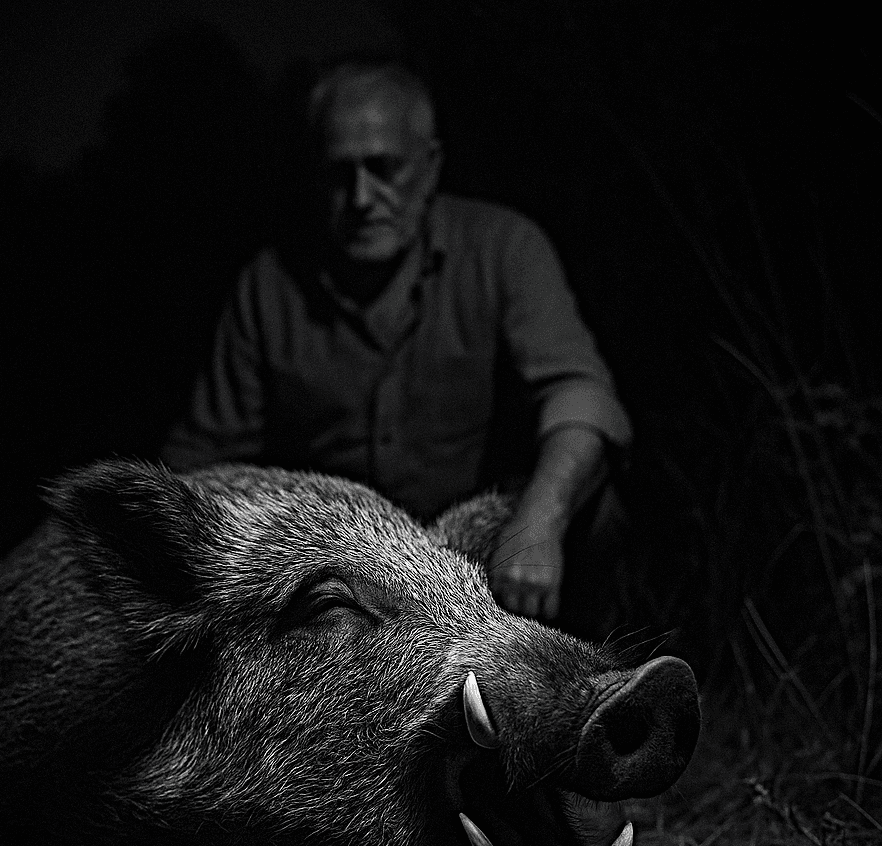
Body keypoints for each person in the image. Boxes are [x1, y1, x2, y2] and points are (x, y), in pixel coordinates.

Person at [162, 59, 632, 636]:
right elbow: (204, 455)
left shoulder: (503, 247)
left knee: (595, 509)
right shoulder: (268, 286)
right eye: (340, 175)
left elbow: (579, 392)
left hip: (472, 542)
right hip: (338, 559)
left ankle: (584, 680)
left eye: (385, 169)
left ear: (431, 167)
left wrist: (537, 524)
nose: (362, 198)